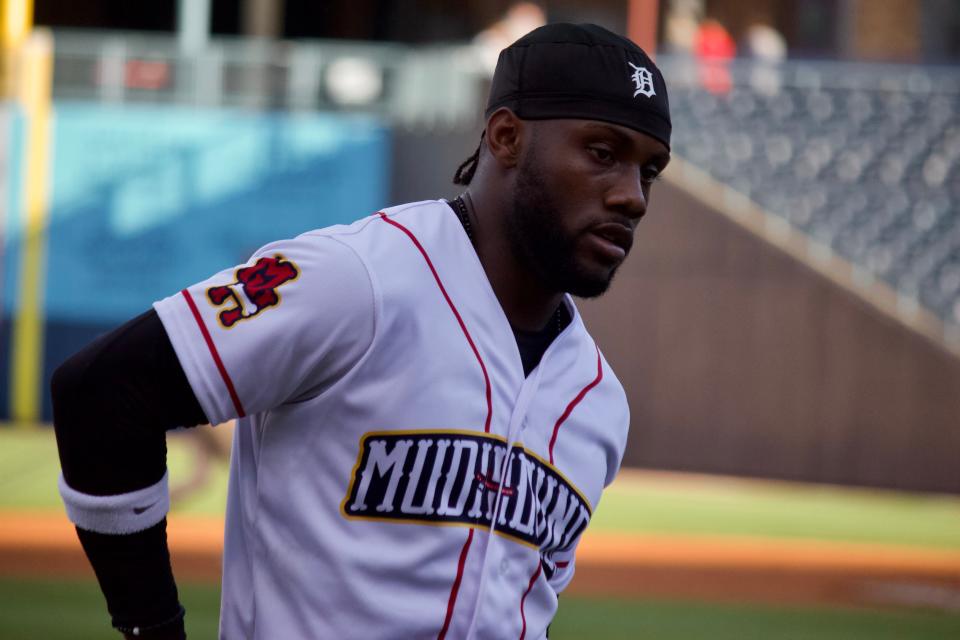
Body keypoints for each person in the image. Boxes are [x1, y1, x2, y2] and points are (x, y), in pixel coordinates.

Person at [52, 22, 671, 639]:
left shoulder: (599, 404)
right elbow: (104, 389)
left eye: (649, 170)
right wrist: (152, 627)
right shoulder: (357, 279)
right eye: (602, 153)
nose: (633, 197)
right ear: (506, 136)